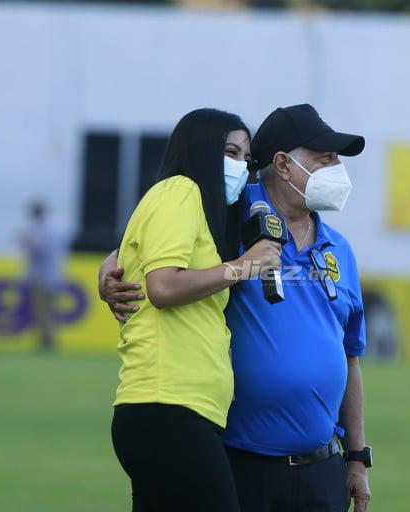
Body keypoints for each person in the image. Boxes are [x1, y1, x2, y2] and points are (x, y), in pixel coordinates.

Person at [100, 105, 372, 512]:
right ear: (282, 164)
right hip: (242, 458)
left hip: (322, 464)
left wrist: (357, 456)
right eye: (325, 157)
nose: (336, 169)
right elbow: (152, 243)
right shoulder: (229, 209)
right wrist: (111, 267)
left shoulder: (340, 250)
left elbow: (349, 357)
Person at [109, 108, 281, 512]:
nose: (240, 165)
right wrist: (245, 266)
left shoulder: (196, 209)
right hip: (168, 406)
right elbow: (163, 286)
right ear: (200, 149)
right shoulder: (180, 190)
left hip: (176, 411)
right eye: (229, 152)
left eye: (245, 158)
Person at [19, 201, 69, 351]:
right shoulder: (55, 228)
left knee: (42, 311)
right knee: (48, 310)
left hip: (43, 276)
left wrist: (27, 243)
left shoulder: (43, 230)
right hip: (54, 274)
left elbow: (40, 252)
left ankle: (47, 342)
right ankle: (48, 340)